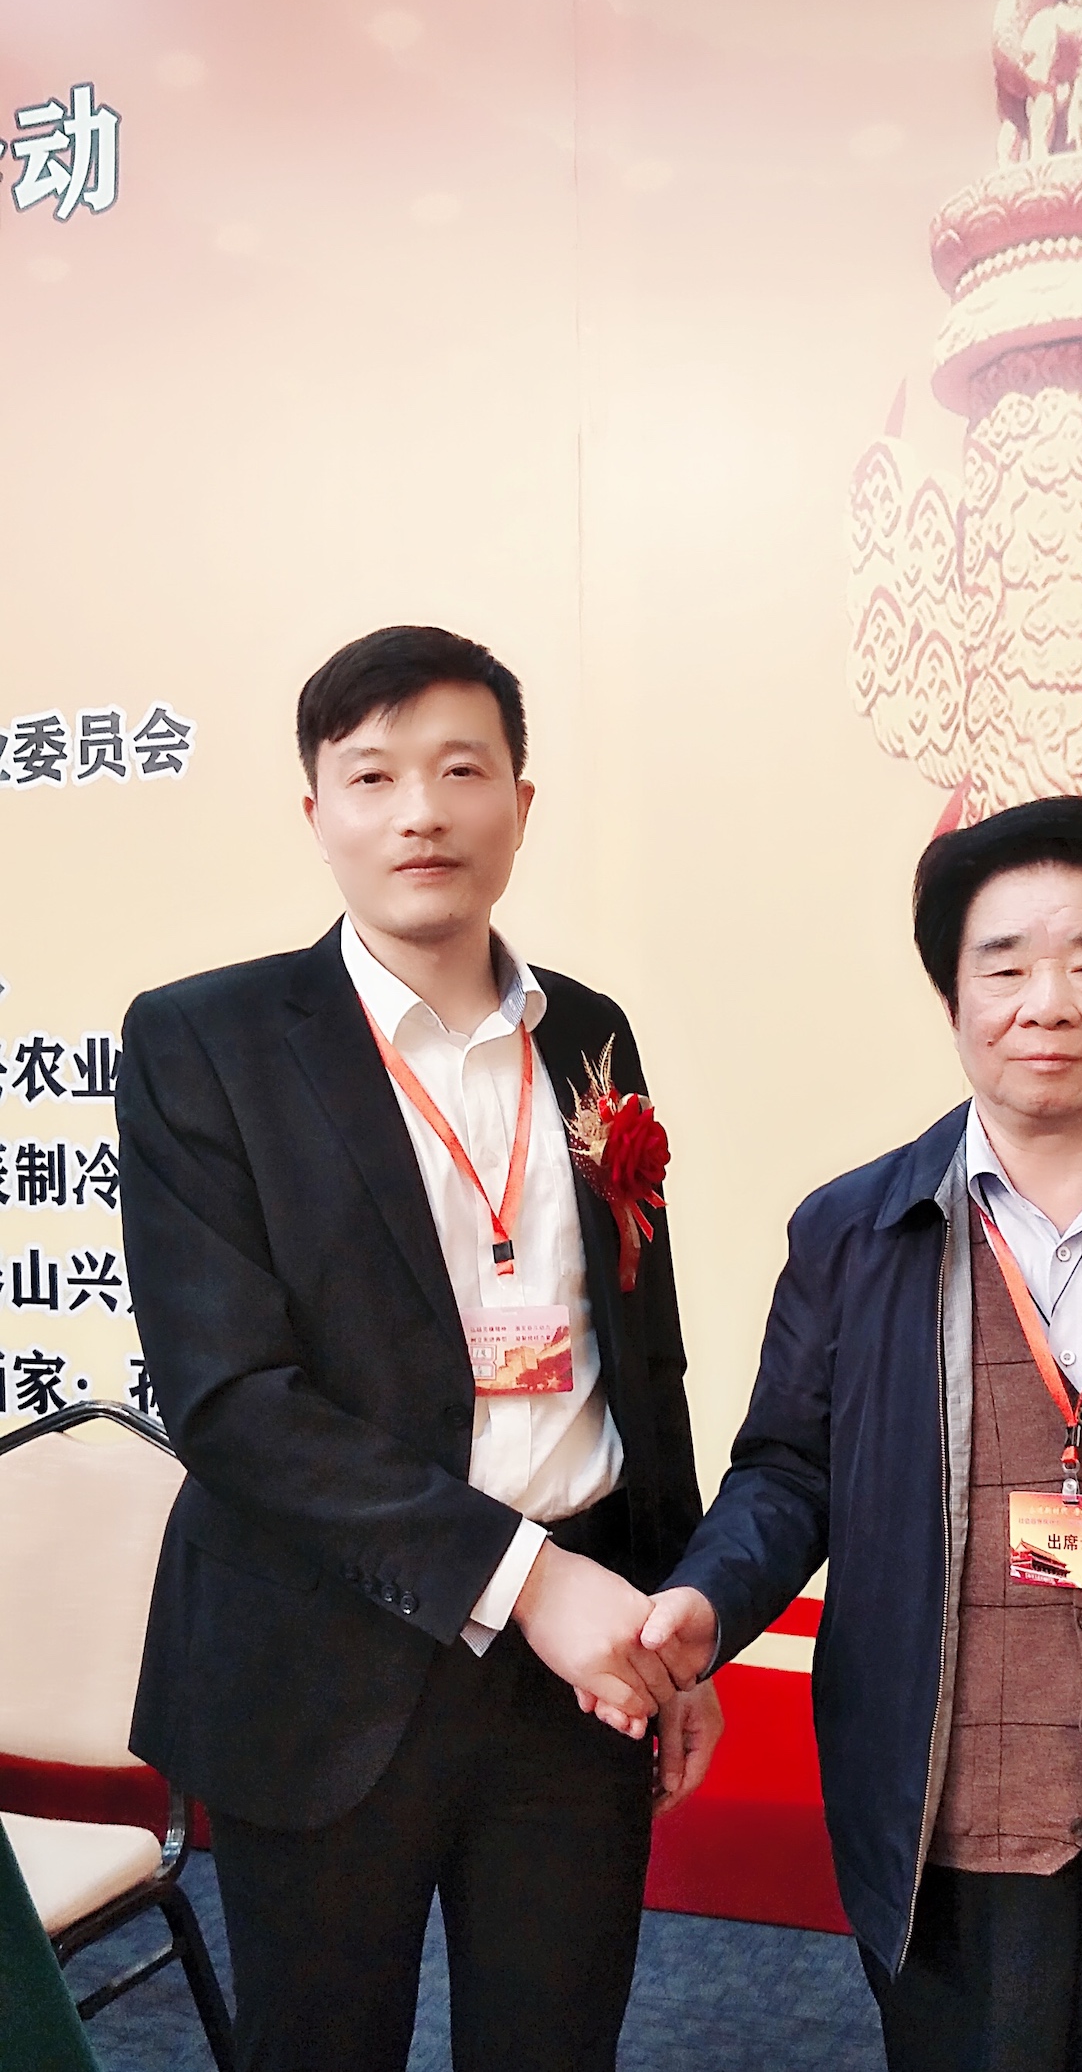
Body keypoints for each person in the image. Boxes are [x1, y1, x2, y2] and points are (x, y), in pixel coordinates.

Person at [638, 796, 1082, 2072]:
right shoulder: (851, 1235)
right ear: (954, 1002)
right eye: (1006, 966)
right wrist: (707, 1601)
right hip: (951, 1809)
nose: (1048, 1003)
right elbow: (788, 1473)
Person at [117, 625, 721, 2072]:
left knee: (554, 2043)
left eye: (461, 770)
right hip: (324, 1653)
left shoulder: (588, 1033)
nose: (421, 813)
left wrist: (673, 1621)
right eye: (373, 776)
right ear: (315, 810)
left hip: (580, 1671)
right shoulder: (206, 1041)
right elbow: (232, 1400)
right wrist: (531, 1583)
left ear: (520, 800)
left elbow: (641, 1361)